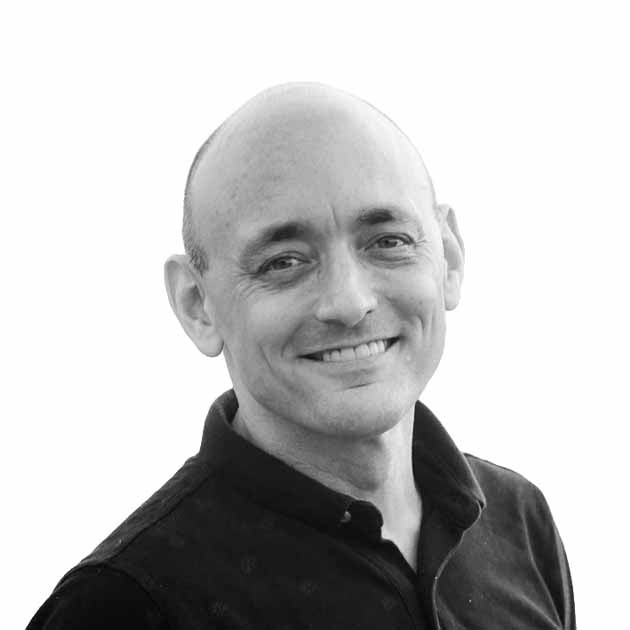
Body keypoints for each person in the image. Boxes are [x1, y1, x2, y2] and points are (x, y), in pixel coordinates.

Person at [27, 83, 575, 630]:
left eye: (387, 241)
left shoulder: (517, 522)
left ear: (449, 259)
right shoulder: (121, 607)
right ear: (197, 305)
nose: (350, 302)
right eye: (284, 262)